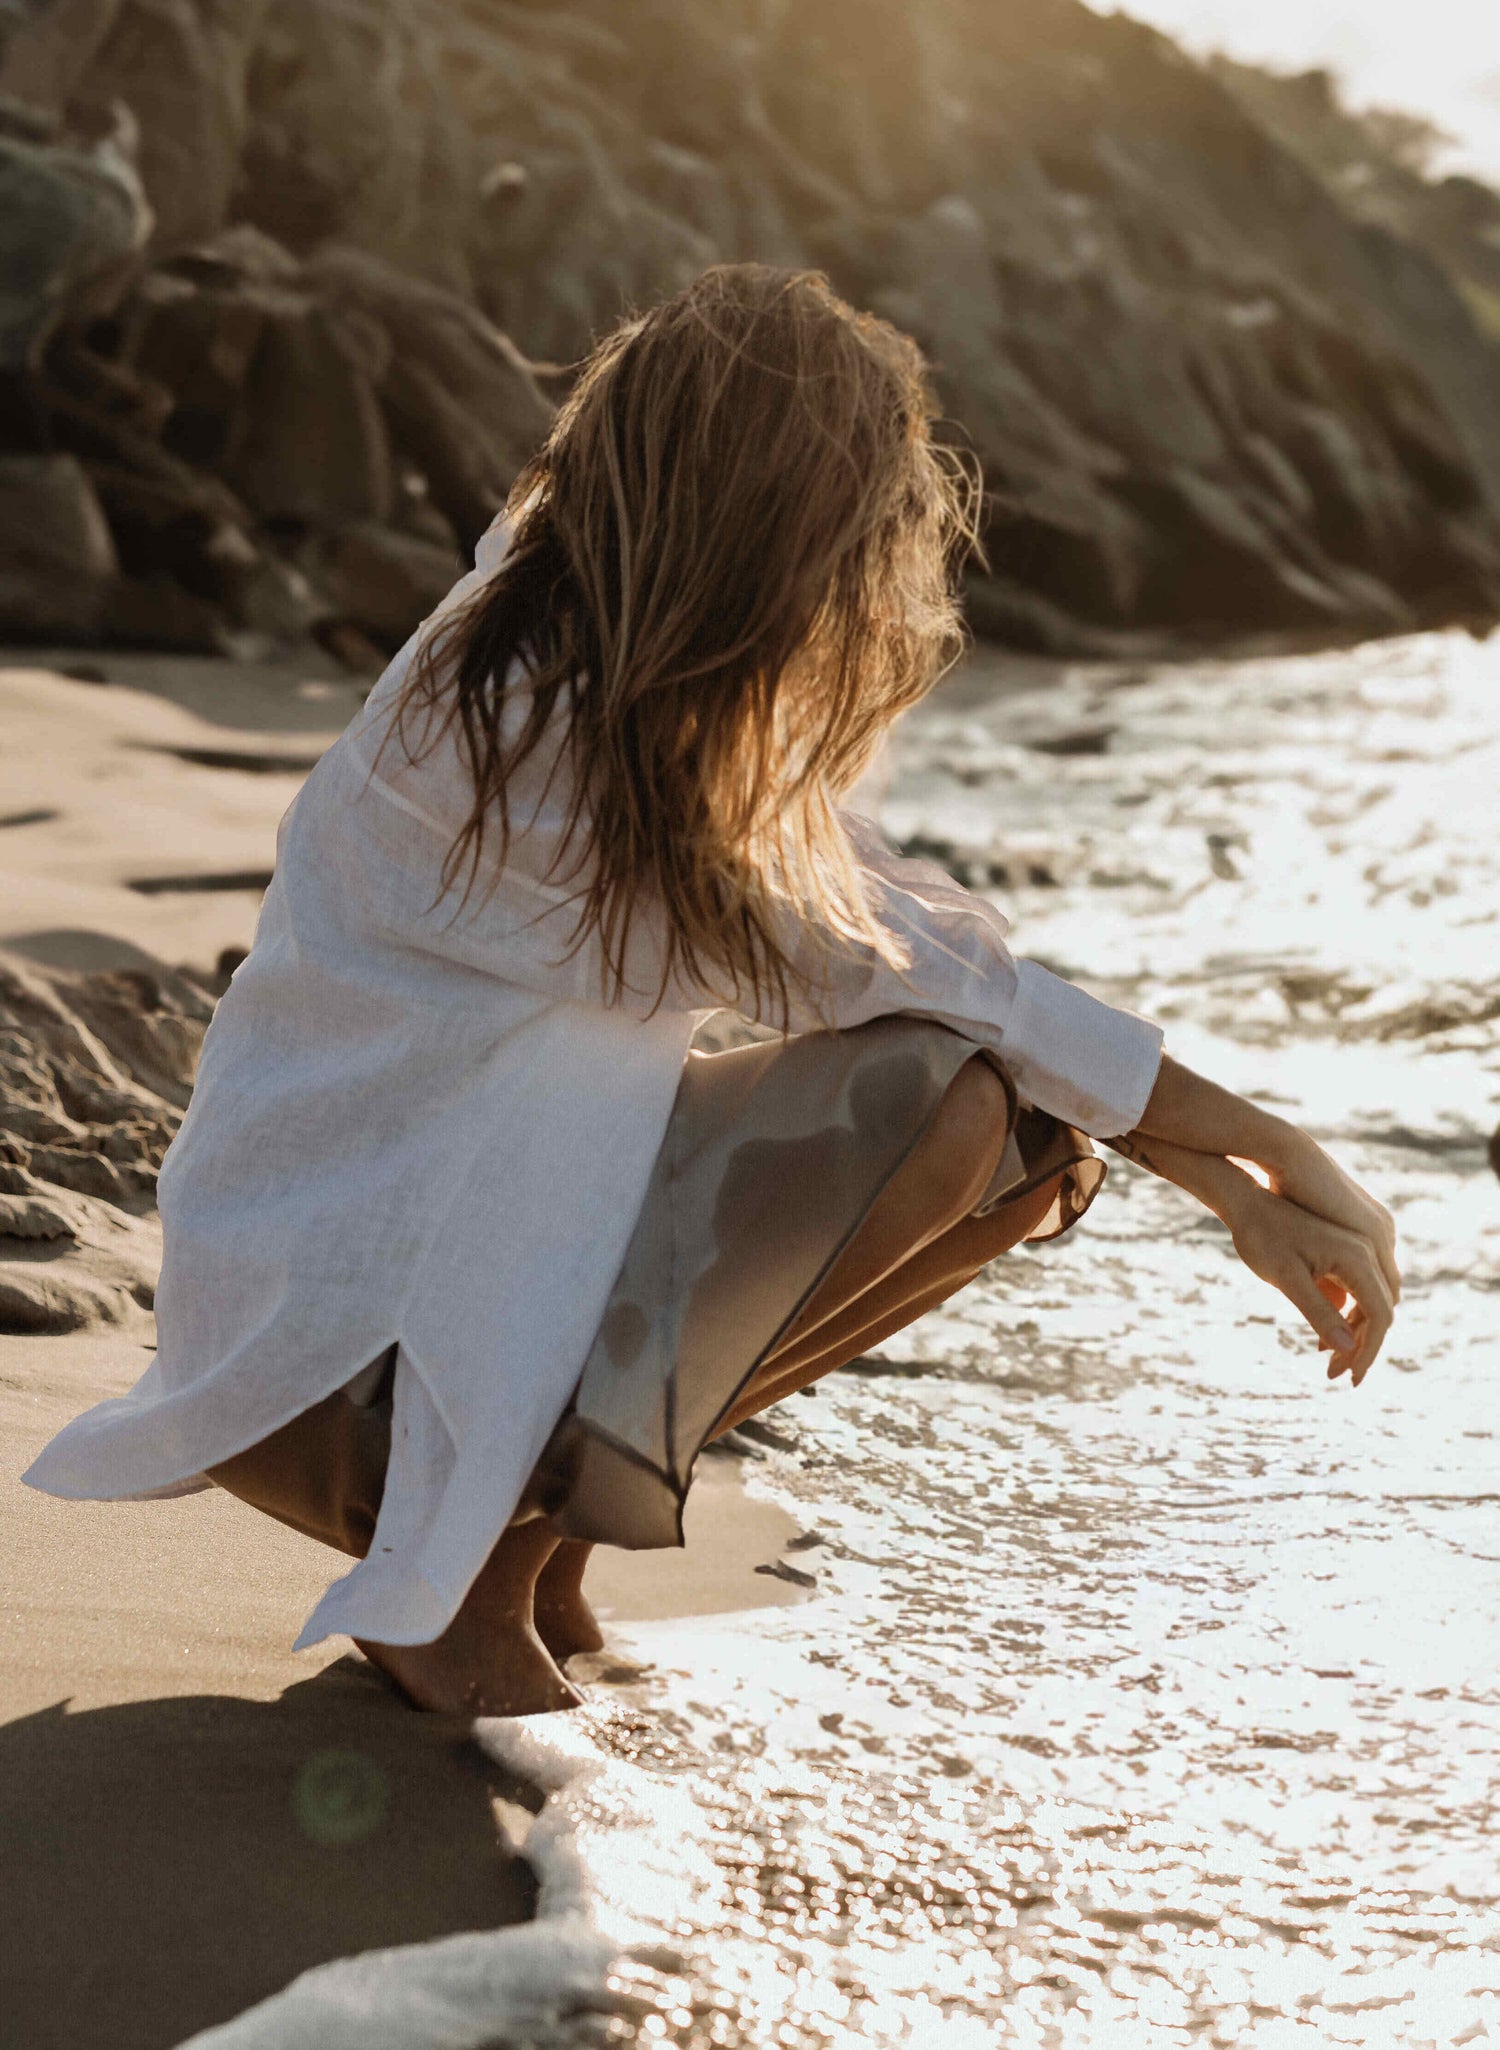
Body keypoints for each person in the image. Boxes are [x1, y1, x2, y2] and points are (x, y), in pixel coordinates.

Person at [25, 266, 1400, 1718]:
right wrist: (1262, 1156)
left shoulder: (587, 662)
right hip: (326, 1358)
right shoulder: (516, 727)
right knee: (934, 1100)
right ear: (764, 523)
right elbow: (880, 963)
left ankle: (544, 1533)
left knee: (1024, 1147)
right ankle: (461, 1581)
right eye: (856, 524)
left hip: (405, 1289)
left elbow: (896, 922)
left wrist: (1225, 1173)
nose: (873, 565)